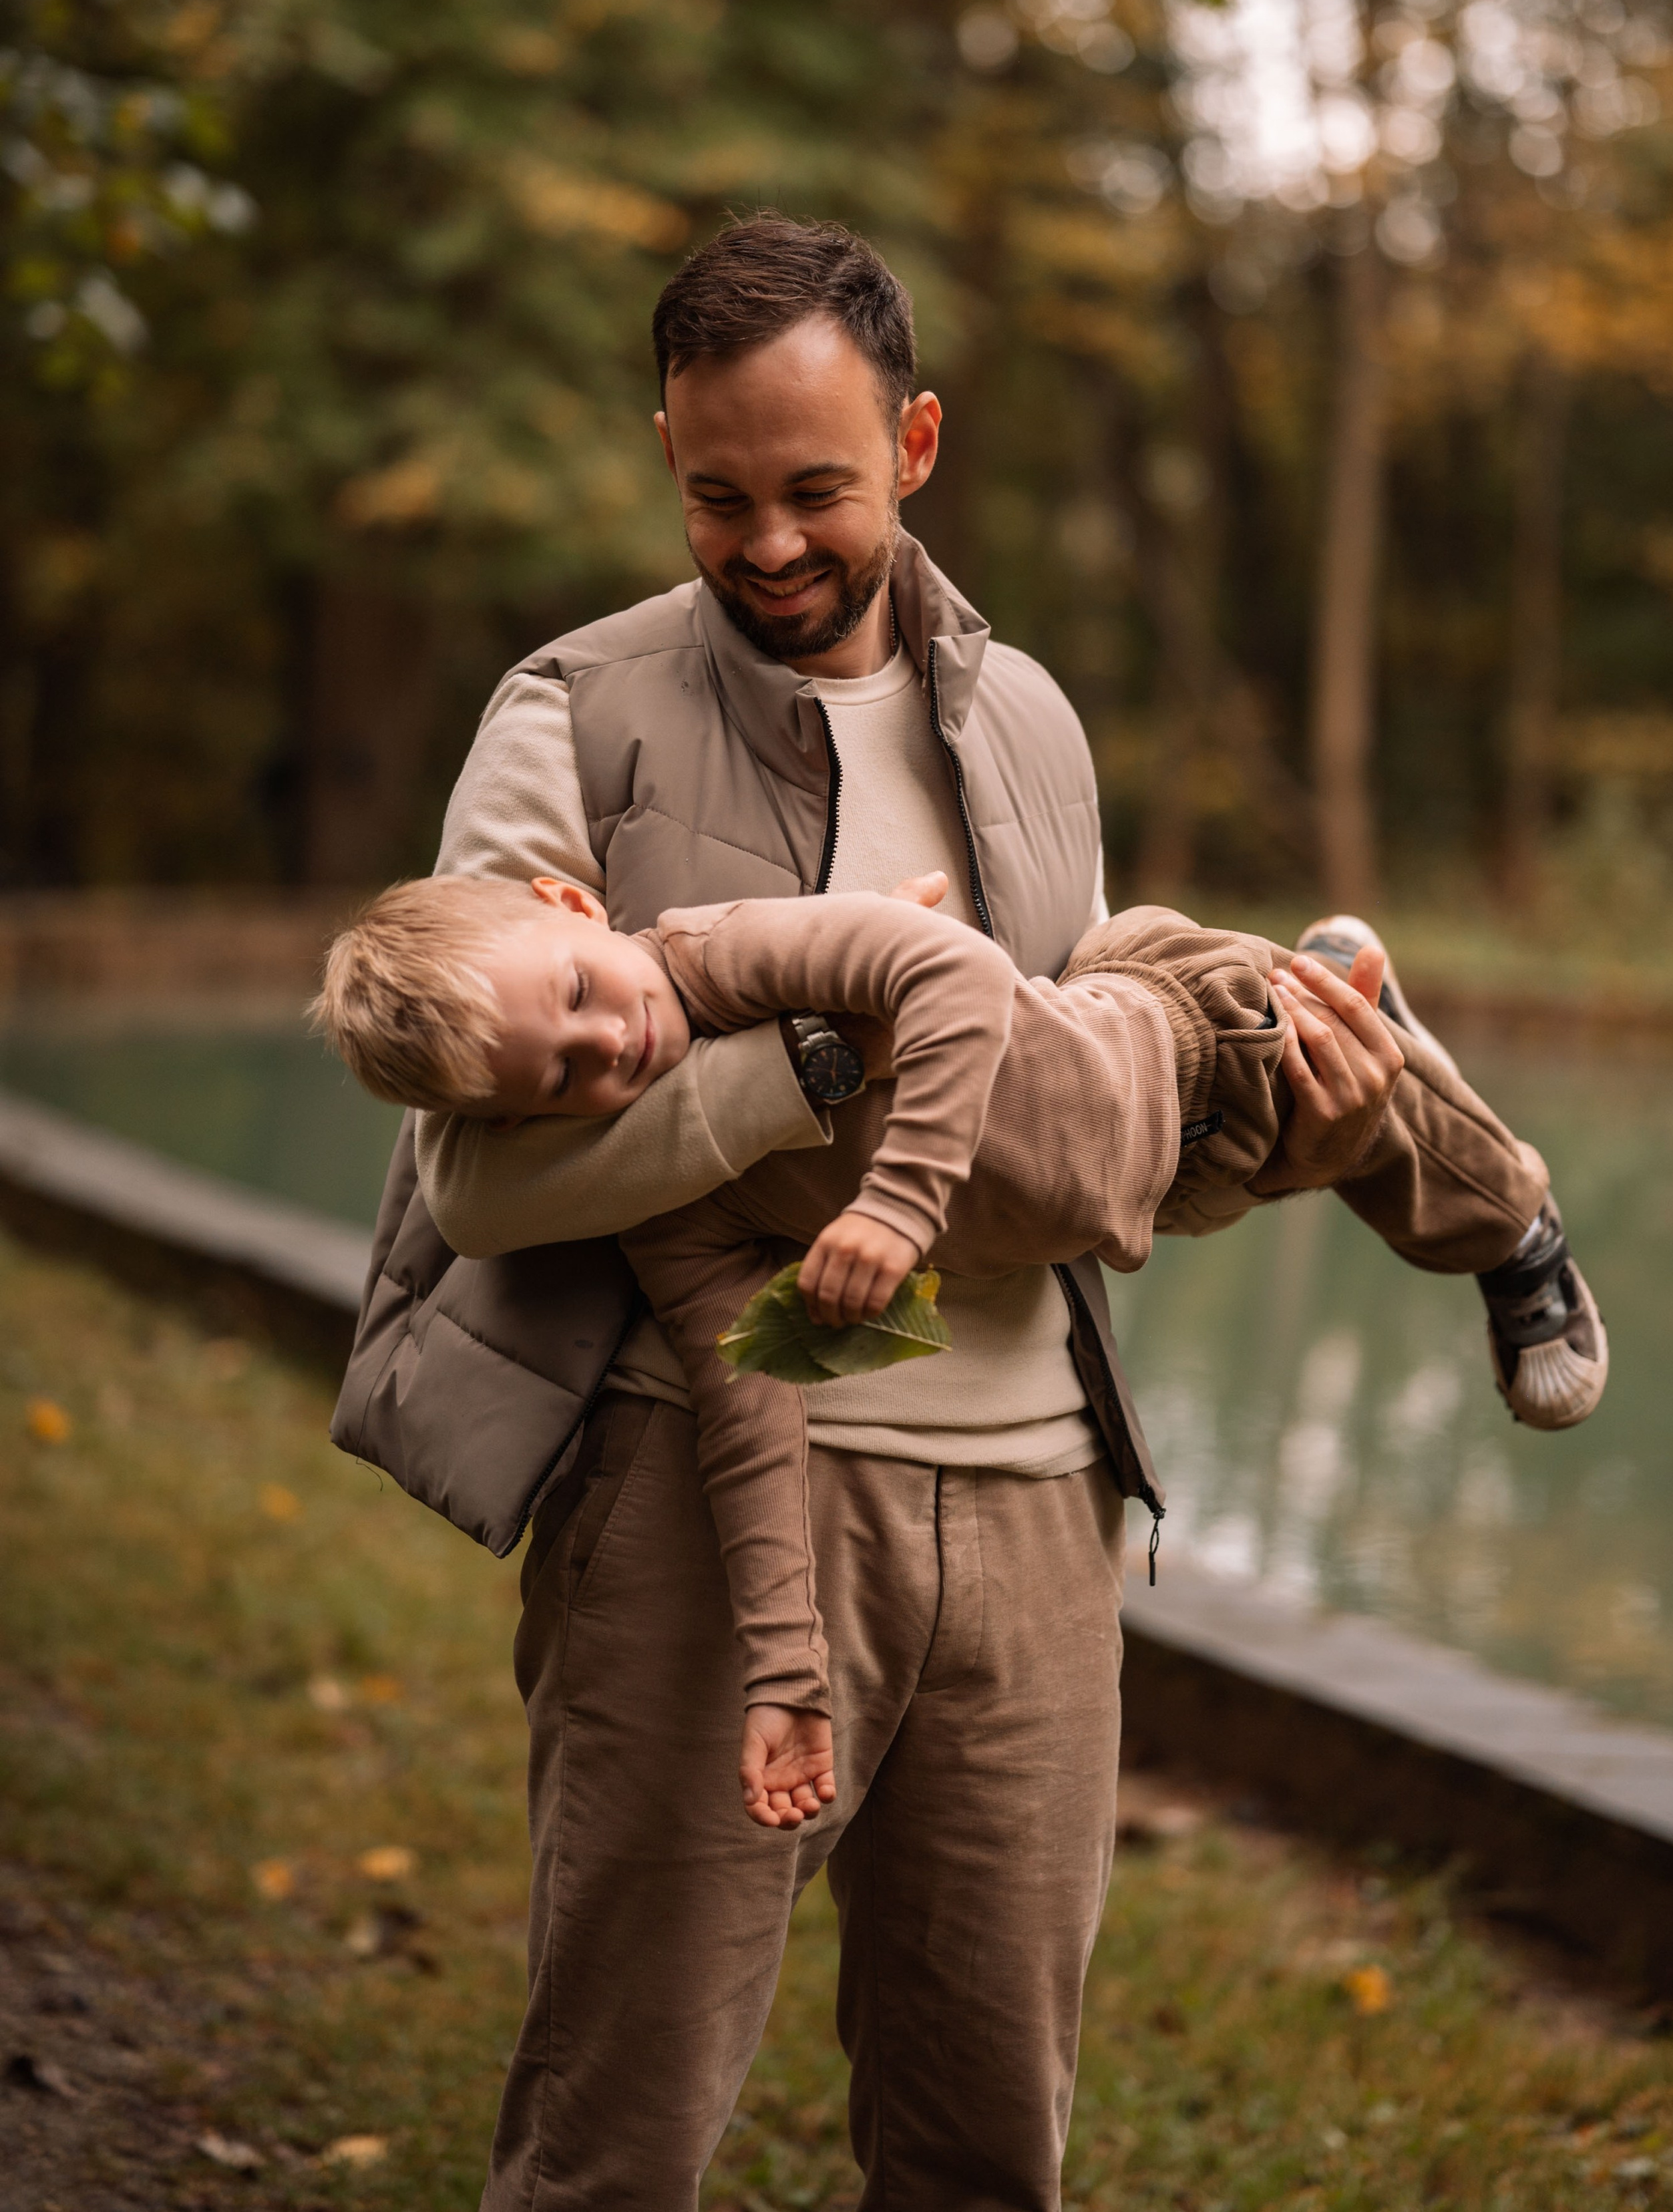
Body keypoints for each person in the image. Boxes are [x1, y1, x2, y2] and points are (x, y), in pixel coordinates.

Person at [331, 215, 1419, 2212]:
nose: (764, 542)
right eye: (715, 493)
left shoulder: (1036, 723)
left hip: (1037, 1513)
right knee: (617, 2139)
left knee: (988, 2147)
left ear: (916, 442)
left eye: (816, 487)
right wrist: (802, 1075)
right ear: (667, 450)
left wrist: (1280, 1131)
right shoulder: (564, 713)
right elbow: (476, 1167)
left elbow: (1066, 1125)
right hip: (703, 1499)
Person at [317, 868, 1606, 1837]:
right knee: (1327, 1124)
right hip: (1161, 1168)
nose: (609, 1049)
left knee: (1401, 1142)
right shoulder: (668, 1198)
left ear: (573, 903)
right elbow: (752, 1407)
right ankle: (1352, 976)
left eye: (581, 996)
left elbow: (950, 973)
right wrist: (784, 1666)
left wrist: (894, 1204)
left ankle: (1523, 1237)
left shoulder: (731, 949)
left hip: (1188, 1022)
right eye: (558, 1085)